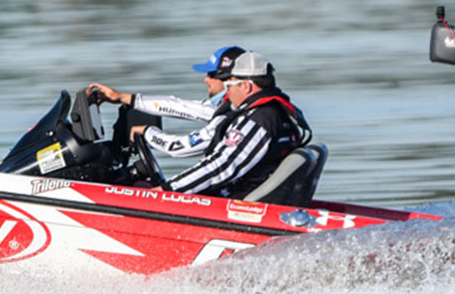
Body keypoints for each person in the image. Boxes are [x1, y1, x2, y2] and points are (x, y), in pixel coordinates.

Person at [159, 51, 311, 198]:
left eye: (229, 85)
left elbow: (221, 167)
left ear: (246, 86)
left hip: (234, 205)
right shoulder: (276, 113)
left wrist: (167, 189)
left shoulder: (259, 119)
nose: (227, 93)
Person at [85, 45, 243, 158]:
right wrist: (122, 98)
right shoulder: (225, 107)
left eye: (211, 75)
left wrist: (148, 132)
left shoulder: (230, 114)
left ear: (231, 79)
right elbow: (177, 106)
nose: (205, 79)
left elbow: (177, 148)